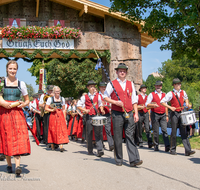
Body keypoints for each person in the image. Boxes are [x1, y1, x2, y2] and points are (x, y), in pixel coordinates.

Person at [104, 63, 142, 167]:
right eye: (120, 71)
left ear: (126, 72)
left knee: (130, 135)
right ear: (116, 72)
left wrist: (136, 114)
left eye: (124, 71)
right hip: (117, 113)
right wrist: (115, 102)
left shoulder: (130, 84)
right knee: (118, 136)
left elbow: (134, 100)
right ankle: (119, 159)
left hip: (129, 112)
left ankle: (134, 159)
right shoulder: (111, 83)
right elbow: (105, 97)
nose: (122, 72)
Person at [0, 60, 30, 176]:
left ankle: (17, 165)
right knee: (6, 136)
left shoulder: (21, 84)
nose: (12, 71)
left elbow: (27, 100)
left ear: (17, 70)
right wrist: (3, 103)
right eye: (10, 68)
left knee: (17, 136)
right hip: (4, 112)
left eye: (14, 69)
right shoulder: (1, 82)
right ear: (7, 69)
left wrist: (23, 104)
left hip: (17, 112)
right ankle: (8, 164)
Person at [160, 78, 195, 156]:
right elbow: (162, 102)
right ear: (174, 85)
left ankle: (188, 150)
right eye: (178, 84)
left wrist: (187, 104)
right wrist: (170, 107)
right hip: (174, 113)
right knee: (174, 131)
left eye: (180, 84)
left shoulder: (183, 92)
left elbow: (186, 99)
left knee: (184, 132)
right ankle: (172, 149)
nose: (180, 85)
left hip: (181, 113)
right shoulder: (170, 93)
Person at [77, 80, 105, 157]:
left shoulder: (98, 96)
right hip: (88, 116)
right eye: (91, 86)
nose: (93, 88)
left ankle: (99, 150)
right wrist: (84, 110)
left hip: (96, 116)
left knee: (98, 132)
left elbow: (100, 104)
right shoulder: (84, 97)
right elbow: (78, 106)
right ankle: (90, 150)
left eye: (93, 86)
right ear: (88, 88)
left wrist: (102, 109)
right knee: (89, 133)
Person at [146, 81, 170, 152]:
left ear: (161, 87)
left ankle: (167, 146)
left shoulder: (164, 94)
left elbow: (166, 106)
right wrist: (153, 105)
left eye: (159, 86)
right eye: (157, 86)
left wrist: (167, 115)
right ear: (155, 86)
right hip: (155, 114)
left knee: (164, 130)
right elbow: (147, 104)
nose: (158, 87)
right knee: (156, 131)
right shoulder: (151, 94)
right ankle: (156, 145)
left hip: (163, 114)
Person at [45, 86, 69, 152]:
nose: (57, 93)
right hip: (53, 115)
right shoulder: (50, 99)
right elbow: (46, 108)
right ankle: (52, 145)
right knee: (53, 129)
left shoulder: (62, 99)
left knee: (60, 130)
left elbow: (64, 109)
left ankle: (61, 146)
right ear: (54, 92)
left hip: (60, 115)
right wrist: (52, 110)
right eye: (56, 91)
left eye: (58, 91)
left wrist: (64, 118)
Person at [98, 81, 114, 151]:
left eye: (105, 87)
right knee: (100, 130)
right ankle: (101, 144)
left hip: (107, 113)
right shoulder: (98, 95)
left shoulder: (108, 95)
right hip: (100, 114)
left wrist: (110, 108)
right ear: (99, 88)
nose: (104, 88)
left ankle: (111, 145)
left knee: (108, 129)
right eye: (102, 87)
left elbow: (111, 103)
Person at [137, 84, 153, 148]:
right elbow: (135, 106)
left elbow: (149, 106)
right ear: (140, 89)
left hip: (146, 113)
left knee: (147, 128)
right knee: (140, 128)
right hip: (140, 113)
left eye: (145, 88)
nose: (145, 89)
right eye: (143, 88)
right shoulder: (137, 96)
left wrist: (149, 115)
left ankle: (150, 142)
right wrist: (140, 107)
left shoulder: (148, 96)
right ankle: (140, 141)